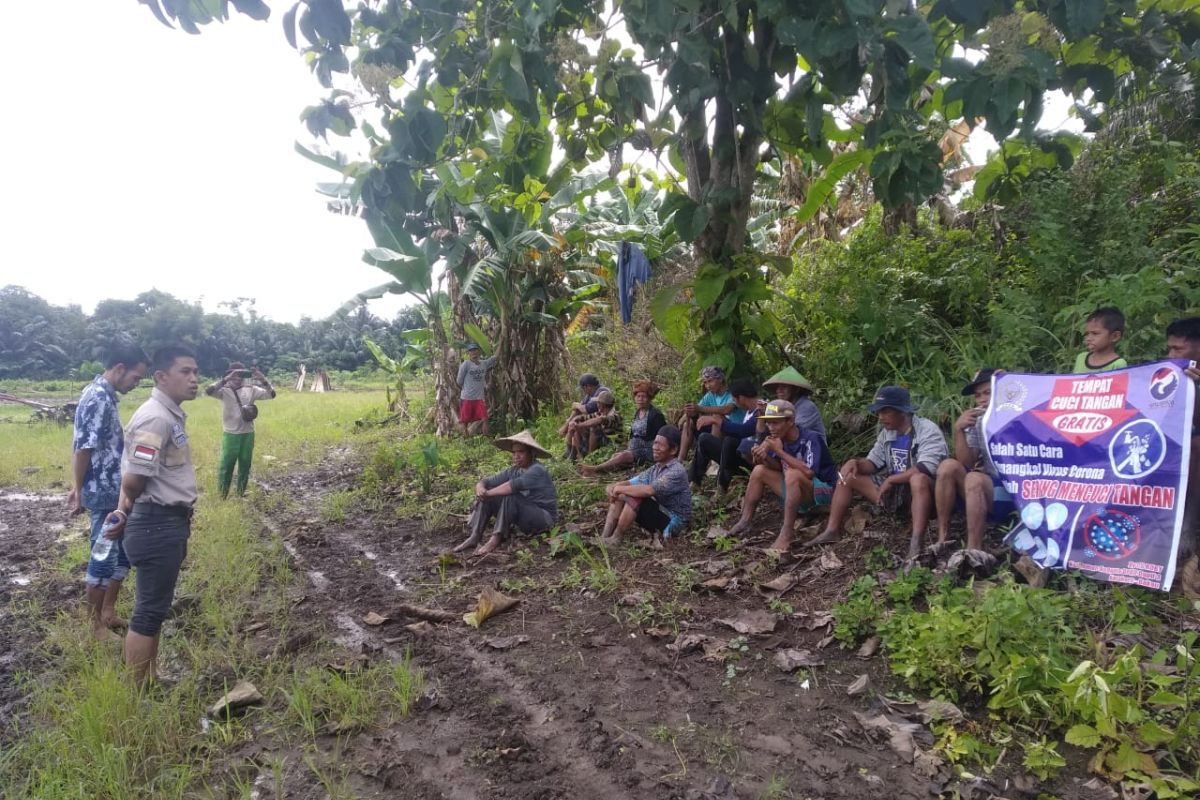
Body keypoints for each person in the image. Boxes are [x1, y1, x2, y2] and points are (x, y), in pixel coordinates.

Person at [102, 345, 200, 683]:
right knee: (148, 612)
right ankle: (137, 689)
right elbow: (133, 480)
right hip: (156, 524)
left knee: (155, 609)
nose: (194, 379)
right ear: (161, 377)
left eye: (195, 372)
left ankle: (150, 679)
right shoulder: (156, 417)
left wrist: (125, 509)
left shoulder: (168, 414)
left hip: (161, 522)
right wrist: (128, 506)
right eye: (185, 372)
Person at [806, 385, 948, 559]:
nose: (880, 417)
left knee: (918, 479)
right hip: (895, 493)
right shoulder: (886, 433)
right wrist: (854, 462)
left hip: (927, 495)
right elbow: (872, 463)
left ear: (902, 411)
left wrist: (892, 480)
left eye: (885, 412)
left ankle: (916, 542)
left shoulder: (927, 429)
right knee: (849, 476)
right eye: (879, 412)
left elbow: (927, 467)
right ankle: (832, 529)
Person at [68, 342, 150, 641]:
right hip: (104, 493)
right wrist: (77, 489)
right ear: (119, 368)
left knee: (122, 554)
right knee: (103, 554)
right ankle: (95, 628)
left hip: (117, 491)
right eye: (135, 377)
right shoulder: (96, 397)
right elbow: (83, 448)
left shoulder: (106, 395)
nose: (136, 383)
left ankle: (108, 611)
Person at [724, 400, 838, 552]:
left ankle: (787, 532)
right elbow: (778, 467)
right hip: (798, 492)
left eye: (775, 423)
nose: (771, 428)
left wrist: (779, 451)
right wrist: (763, 458)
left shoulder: (811, 438)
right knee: (759, 470)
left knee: (792, 474)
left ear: (790, 421)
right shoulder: (777, 440)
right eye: (769, 423)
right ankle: (745, 520)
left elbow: (809, 472)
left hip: (823, 492)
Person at [934, 369, 1016, 551]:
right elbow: (967, 462)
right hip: (990, 488)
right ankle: (942, 538)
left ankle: (973, 551)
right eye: (978, 395)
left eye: (988, 392)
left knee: (973, 479)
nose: (982, 400)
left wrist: (1009, 378)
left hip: (1017, 492)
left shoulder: (1019, 416)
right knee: (948, 466)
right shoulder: (979, 420)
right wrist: (959, 430)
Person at [454, 431, 558, 557]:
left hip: (543, 518)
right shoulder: (513, 470)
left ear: (531, 453)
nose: (516, 456)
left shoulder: (537, 470)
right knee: (490, 496)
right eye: (514, 452)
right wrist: (480, 489)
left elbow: (512, 486)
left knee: (510, 496)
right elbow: (486, 482)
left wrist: (487, 493)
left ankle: (495, 539)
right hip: (524, 516)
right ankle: (475, 536)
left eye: (521, 452)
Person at [599, 425, 692, 548]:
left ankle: (616, 539)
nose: (655, 448)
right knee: (622, 493)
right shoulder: (655, 468)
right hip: (661, 513)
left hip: (673, 523)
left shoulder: (676, 471)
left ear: (673, 450)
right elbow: (630, 482)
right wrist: (613, 487)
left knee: (634, 496)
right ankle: (604, 537)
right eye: (655, 443)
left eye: (660, 445)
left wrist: (619, 489)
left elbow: (648, 491)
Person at [1166, 316, 1200, 599]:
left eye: (1178, 350)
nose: (1171, 356)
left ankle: (1187, 539)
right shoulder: (1170, 375)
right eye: (1170, 349)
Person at [206, 361, 275, 499]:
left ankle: (240, 494)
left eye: (240, 375)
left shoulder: (251, 389)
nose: (238, 378)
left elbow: (271, 394)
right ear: (230, 375)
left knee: (245, 465)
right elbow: (208, 391)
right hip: (230, 434)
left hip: (248, 433)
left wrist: (262, 379)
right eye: (234, 375)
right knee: (227, 465)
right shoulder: (224, 391)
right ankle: (222, 495)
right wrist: (226, 379)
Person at [690, 379, 761, 495]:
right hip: (738, 457)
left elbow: (745, 430)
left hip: (752, 463)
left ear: (741, 398)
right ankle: (694, 482)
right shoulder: (748, 411)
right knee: (704, 439)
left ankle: (721, 488)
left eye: (734, 400)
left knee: (730, 441)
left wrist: (718, 421)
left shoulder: (762, 409)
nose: (734, 403)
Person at [581, 381, 666, 476]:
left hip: (648, 450)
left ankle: (595, 469)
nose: (640, 399)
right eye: (638, 397)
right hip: (634, 448)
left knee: (623, 456)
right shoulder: (638, 412)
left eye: (644, 397)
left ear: (649, 399)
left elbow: (662, 436)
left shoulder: (656, 414)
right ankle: (603, 471)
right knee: (616, 456)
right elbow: (633, 433)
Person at [677, 366, 741, 460]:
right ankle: (680, 460)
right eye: (705, 382)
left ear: (720, 379)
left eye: (710, 381)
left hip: (733, 432)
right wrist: (687, 414)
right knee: (688, 423)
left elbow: (726, 410)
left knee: (716, 418)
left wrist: (700, 409)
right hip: (716, 431)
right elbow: (697, 409)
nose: (707, 386)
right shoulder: (710, 395)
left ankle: (712, 460)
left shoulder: (731, 394)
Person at [762, 367, 826, 441]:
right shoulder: (782, 407)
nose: (779, 390)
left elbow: (788, 429)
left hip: (812, 448)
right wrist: (762, 413)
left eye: (784, 387)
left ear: (796, 389)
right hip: (792, 446)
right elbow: (766, 430)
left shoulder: (807, 406)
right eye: (778, 387)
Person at [566, 390, 622, 461]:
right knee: (578, 423)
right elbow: (585, 417)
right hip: (603, 441)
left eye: (598, 403)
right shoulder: (600, 412)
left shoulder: (615, 415)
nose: (597, 404)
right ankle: (576, 454)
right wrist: (575, 420)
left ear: (603, 405)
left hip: (612, 444)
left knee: (594, 427)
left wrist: (580, 426)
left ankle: (590, 457)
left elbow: (599, 420)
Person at [558, 373, 611, 444]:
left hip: (604, 422)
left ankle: (589, 453)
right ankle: (574, 450)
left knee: (579, 425)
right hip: (594, 417)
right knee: (574, 423)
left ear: (588, 386)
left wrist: (577, 405)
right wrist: (568, 423)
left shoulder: (602, 391)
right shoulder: (589, 394)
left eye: (583, 388)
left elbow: (586, 409)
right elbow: (578, 409)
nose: (583, 391)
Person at [457, 343, 497, 435]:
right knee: (465, 421)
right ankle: (465, 440)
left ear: (479, 351)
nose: (474, 352)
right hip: (467, 397)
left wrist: (501, 343)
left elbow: (494, 358)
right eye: (471, 350)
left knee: (485, 419)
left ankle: (486, 439)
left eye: (475, 350)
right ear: (468, 353)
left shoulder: (484, 364)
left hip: (479, 398)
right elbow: (459, 381)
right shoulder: (466, 364)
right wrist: (467, 388)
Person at [1073, 306, 1128, 373]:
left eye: (1095, 333)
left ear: (1115, 336)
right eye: (1087, 334)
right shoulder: (1081, 358)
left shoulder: (1118, 364)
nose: (1088, 338)